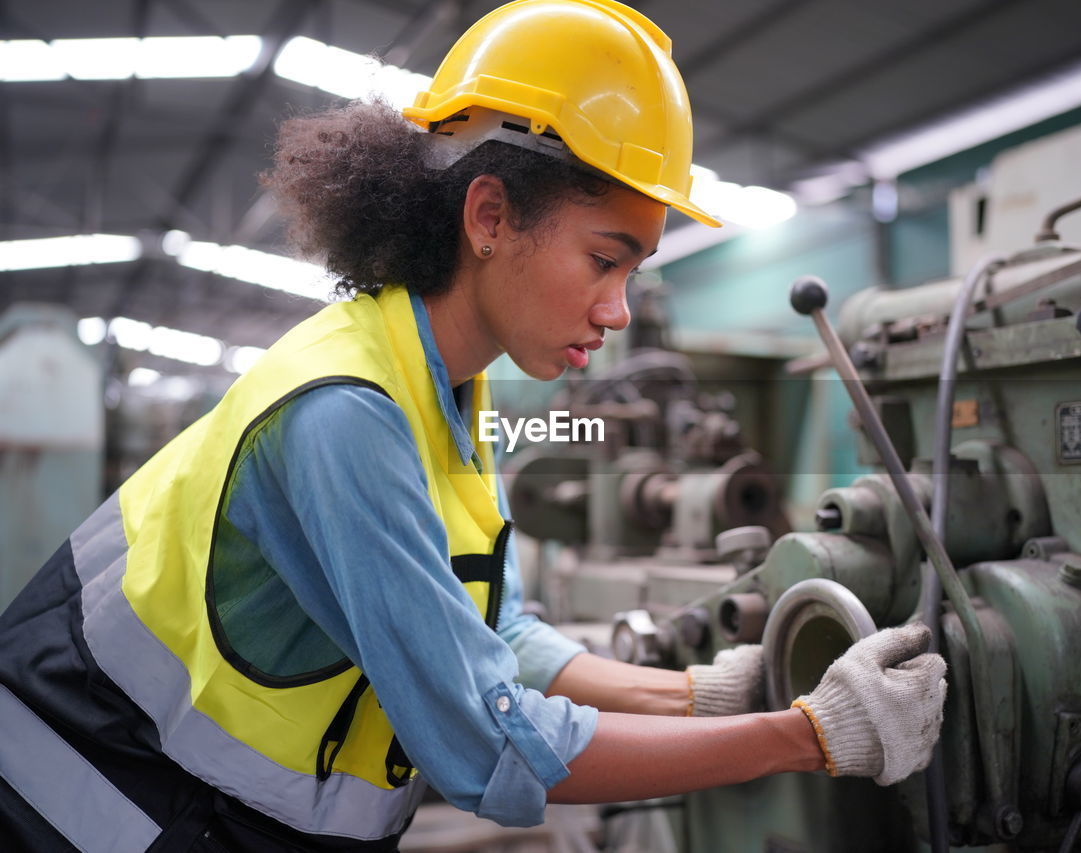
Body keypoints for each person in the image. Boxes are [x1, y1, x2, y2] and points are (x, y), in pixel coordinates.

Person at [0, 1, 947, 850]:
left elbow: (498, 639)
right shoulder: (345, 414)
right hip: (96, 804)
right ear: (489, 215)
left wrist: (707, 693)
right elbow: (488, 745)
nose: (618, 312)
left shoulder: (446, 391)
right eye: (603, 260)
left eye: (635, 275)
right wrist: (810, 736)